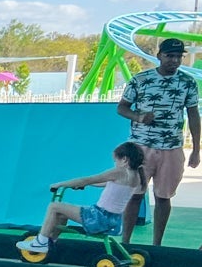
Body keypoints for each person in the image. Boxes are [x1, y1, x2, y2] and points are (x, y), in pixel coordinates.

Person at [118, 38, 200, 247]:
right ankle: (125, 241)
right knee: (135, 193)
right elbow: (122, 107)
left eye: (178, 57)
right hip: (141, 146)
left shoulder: (187, 82)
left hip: (171, 147)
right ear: (159, 55)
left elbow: (193, 115)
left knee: (164, 197)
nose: (174, 60)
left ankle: (157, 245)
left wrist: (196, 149)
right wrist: (138, 117)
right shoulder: (141, 79)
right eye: (169, 56)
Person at [17, 143, 146, 255]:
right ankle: (51, 242)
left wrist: (60, 184)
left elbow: (88, 179)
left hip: (98, 218)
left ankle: (40, 242)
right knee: (61, 215)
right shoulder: (135, 176)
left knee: (54, 206)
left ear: (124, 160)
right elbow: (103, 183)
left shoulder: (119, 172)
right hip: (113, 220)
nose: (115, 163)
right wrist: (84, 184)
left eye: (115, 161)